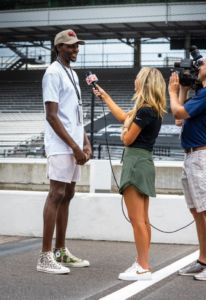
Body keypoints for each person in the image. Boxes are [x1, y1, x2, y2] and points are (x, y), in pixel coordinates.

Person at [93, 67, 166, 281]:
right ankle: (143, 262)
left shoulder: (144, 110)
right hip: (144, 162)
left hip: (135, 161)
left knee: (137, 220)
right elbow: (124, 117)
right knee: (143, 219)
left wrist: (123, 132)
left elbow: (127, 139)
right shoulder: (151, 109)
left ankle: (142, 266)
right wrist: (105, 96)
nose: (134, 80)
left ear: (144, 83)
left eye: (137, 78)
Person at [168, 54, 206, 281]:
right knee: (198, 211)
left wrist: (172, 92)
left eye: (202, 64)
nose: (198, 67)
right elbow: (179, 121)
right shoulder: (203, 93)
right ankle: (204, 260)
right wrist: (183, 89)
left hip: (202, 157)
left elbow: (177, 112)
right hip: (194, 157)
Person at [36, 29, 92, 274]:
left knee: (68, 193)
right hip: (60, 145)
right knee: (56, 193)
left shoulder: (72, 73)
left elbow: (75, 114)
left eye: (77, 45)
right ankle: (45, 256)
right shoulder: (52, 73)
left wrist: (85, 140)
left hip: (73, 142)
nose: (75, 49)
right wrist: (73, 145)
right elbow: (52, 116)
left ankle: (60, 250)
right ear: (58, 47)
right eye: (70, 46)